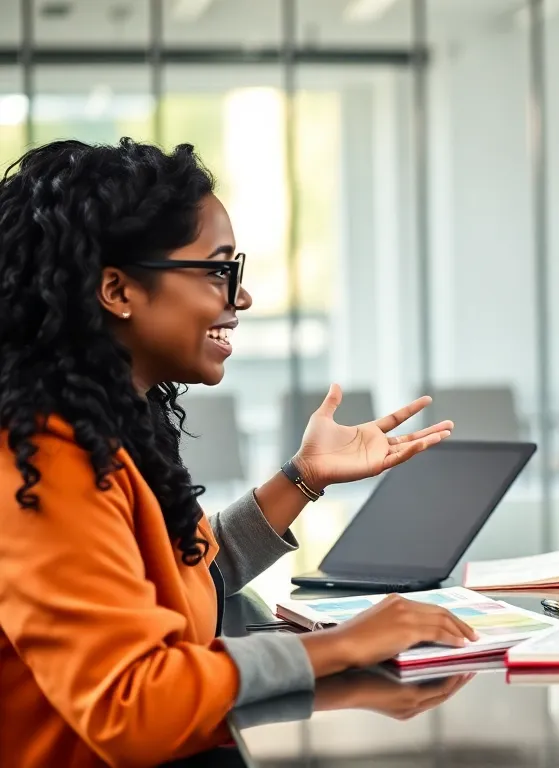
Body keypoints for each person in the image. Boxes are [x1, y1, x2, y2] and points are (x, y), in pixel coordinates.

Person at [0, 138, 478, 767]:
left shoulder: (111, 425)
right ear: (116, 289)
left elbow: (193, 577)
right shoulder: (44, 463)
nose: (241, 297)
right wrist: (339, 646)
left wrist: (303, 477)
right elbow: (131, 705)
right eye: (217, 271)